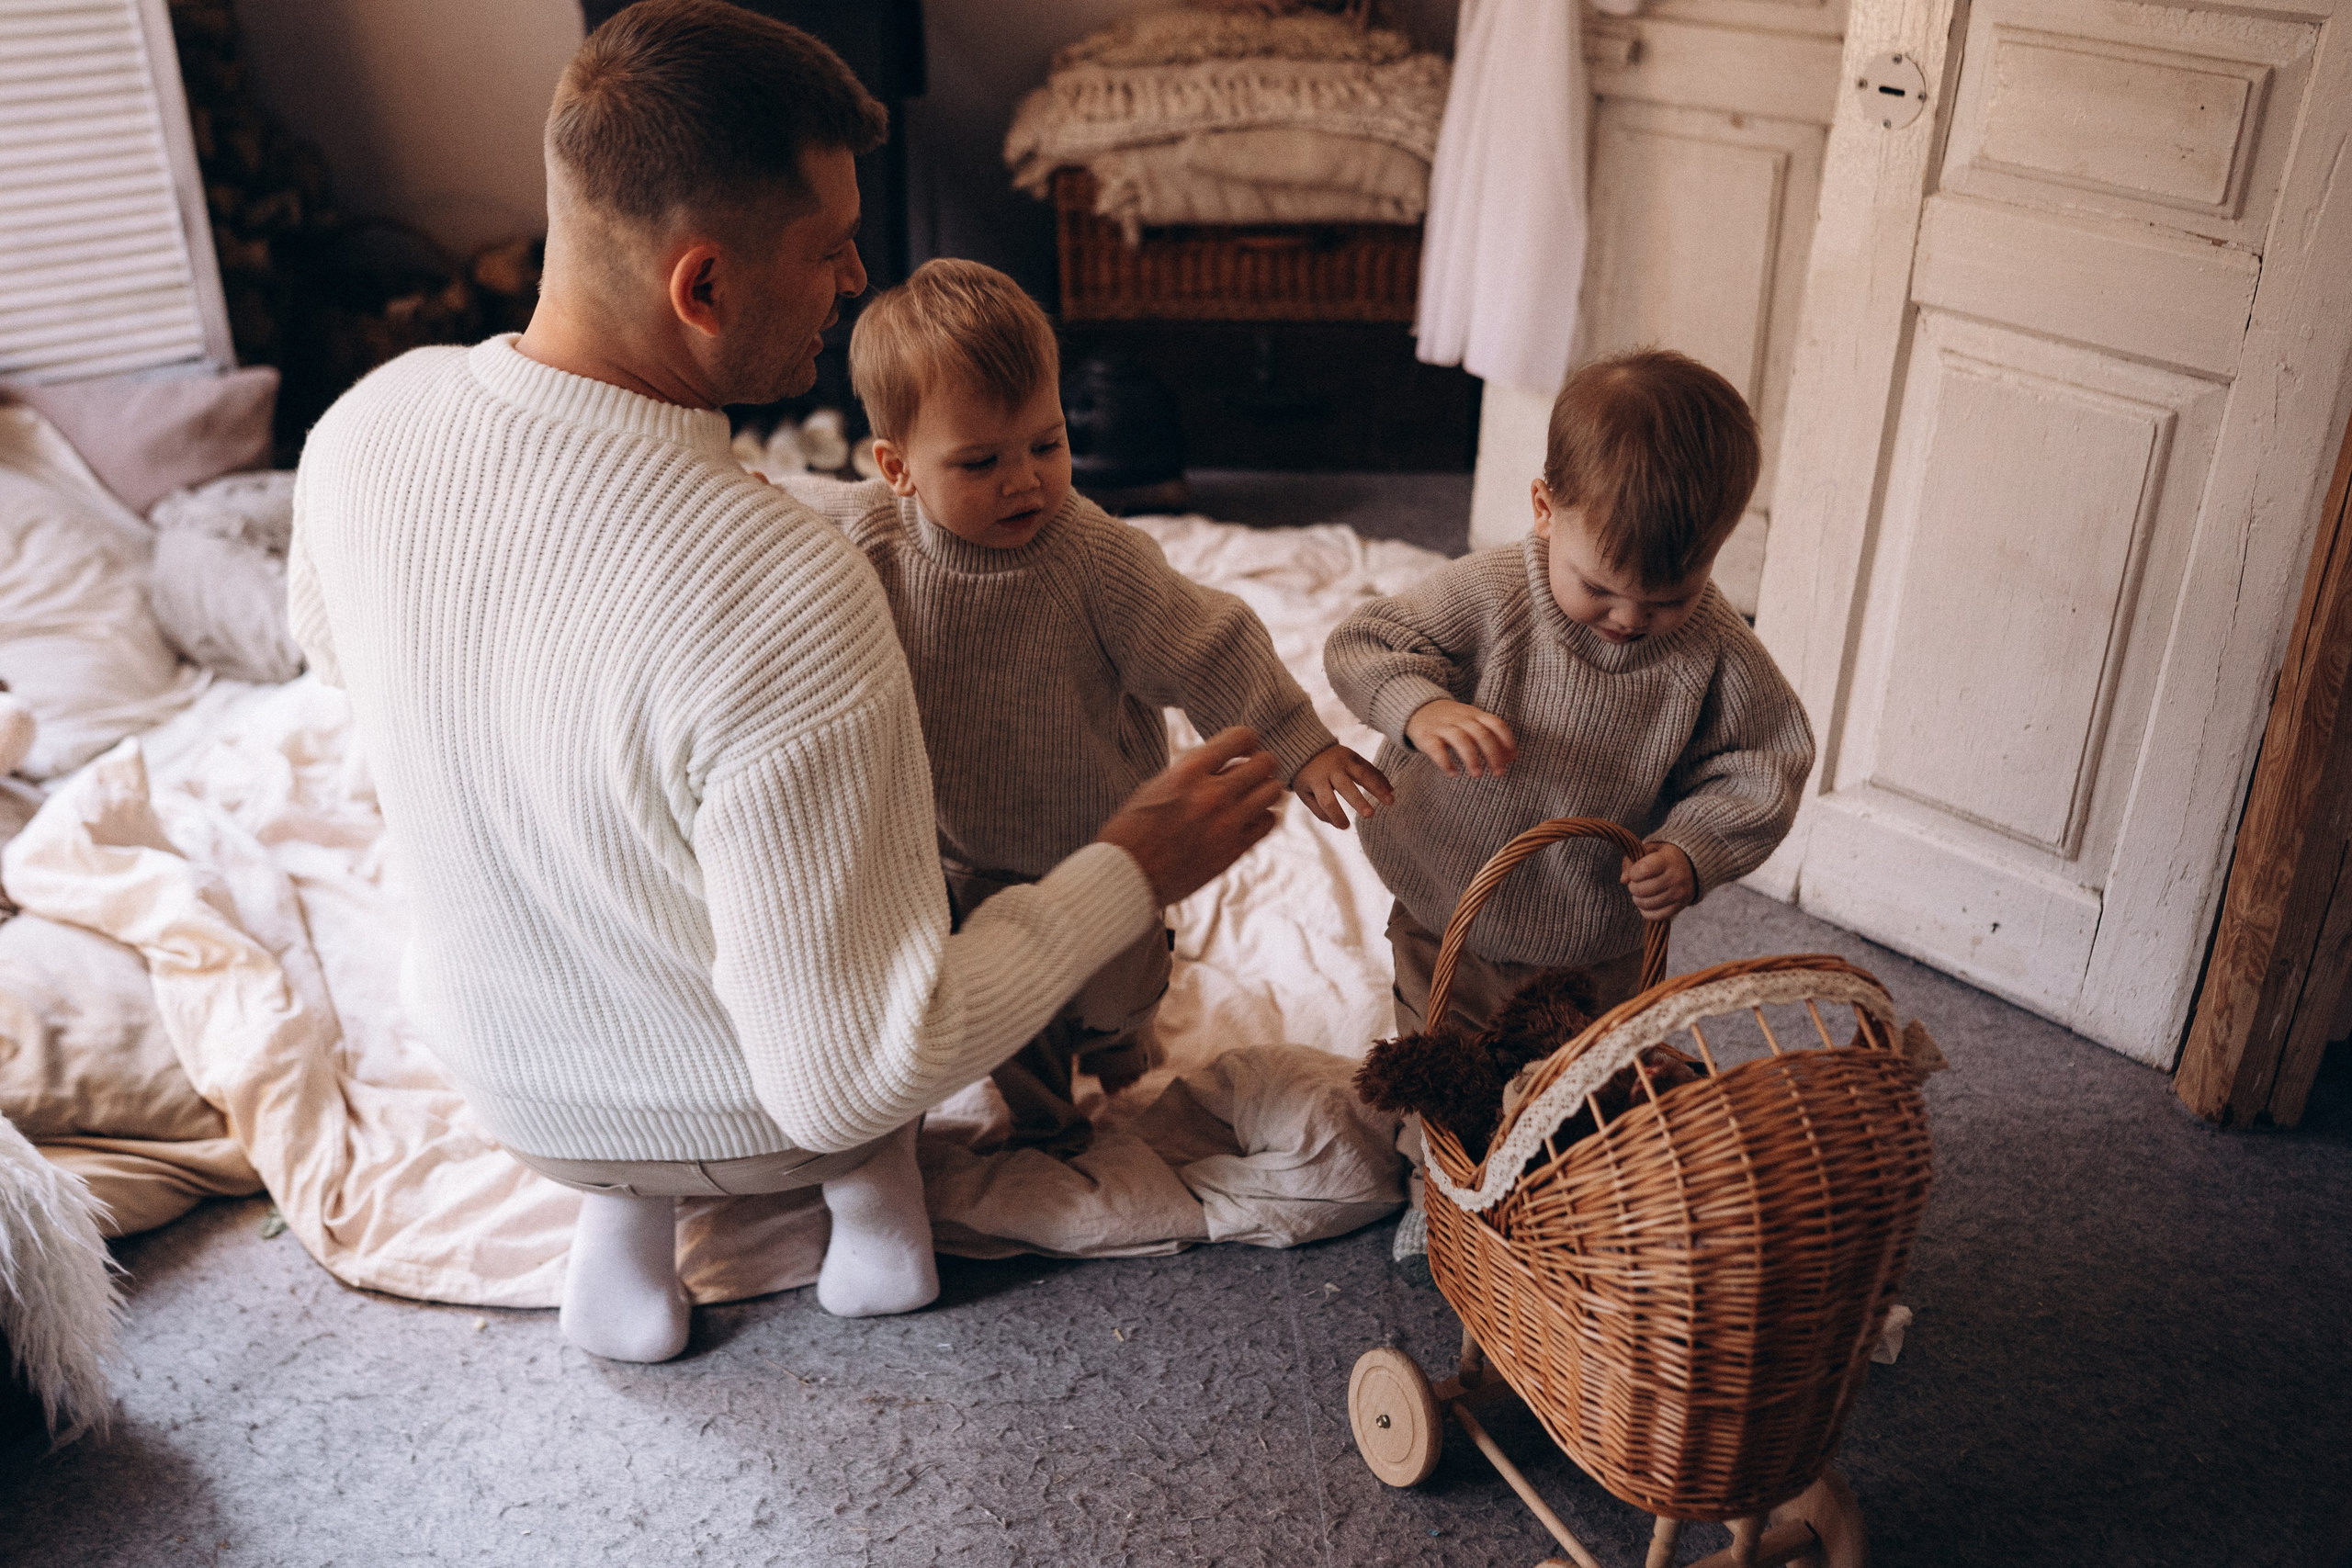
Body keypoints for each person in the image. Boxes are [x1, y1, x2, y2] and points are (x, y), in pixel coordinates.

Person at [286, 0, 1285, 1364]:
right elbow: (854, 1067)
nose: (859, 274)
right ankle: (870, 1236)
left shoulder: (360, 428)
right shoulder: (787, 589)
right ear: (701, 287)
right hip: (752, 1120)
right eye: (828, 251)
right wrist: (1129, 861)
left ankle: (618, 1223)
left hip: (503, 1076)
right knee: (899, 932)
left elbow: (348, 663)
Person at [790, 258, 1391, 1153]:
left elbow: (1210, 640)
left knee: (1115, 990)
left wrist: (1299, 745)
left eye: (1047, 443)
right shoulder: (870, 534)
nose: (1025, 480)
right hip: (964, 855)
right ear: (896, 468)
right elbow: (780, 512)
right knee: (1008, 1011)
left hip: (1110, 840)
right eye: (981, 462)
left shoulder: (1091, 557)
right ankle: (1044, 1119)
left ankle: (1119, 1035)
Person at [1324, 348, 1815, 1040]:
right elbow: (1363, 641)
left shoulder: (1716, 647)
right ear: (1545, 509)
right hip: (1446, 896)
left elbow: (1768, 760)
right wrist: (1421, 706)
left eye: (1669, 599)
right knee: (1442, 1054)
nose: (1631, 619)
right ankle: (1435, 1147)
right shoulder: (1491, 592)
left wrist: (1693, 848)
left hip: (1595, 935)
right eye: (1599, 589)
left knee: (1583, 1078)